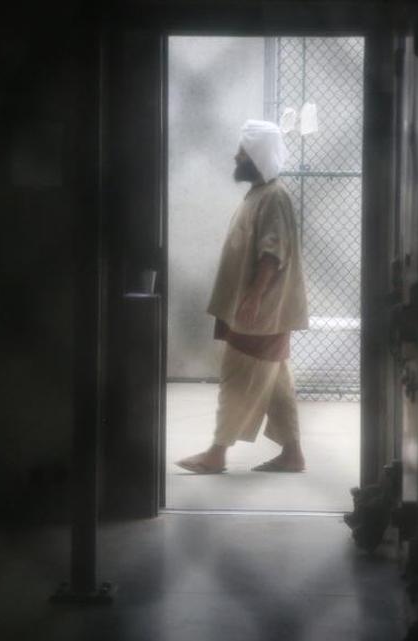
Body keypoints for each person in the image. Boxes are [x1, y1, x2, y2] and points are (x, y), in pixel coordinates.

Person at [175, 119, 310, 474]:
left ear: (257, 156)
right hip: (263, 310)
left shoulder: (273, 197)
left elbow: (272, 252)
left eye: (242, 152)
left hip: (261, 312)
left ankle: (216, 453)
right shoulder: (261, 194)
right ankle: (293, 453)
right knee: (276, 379)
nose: (236, 157)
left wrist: (252, 296)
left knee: (237, 375)